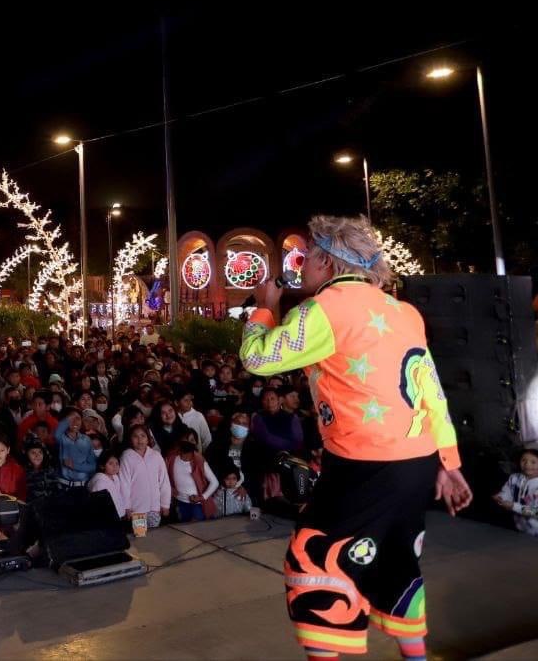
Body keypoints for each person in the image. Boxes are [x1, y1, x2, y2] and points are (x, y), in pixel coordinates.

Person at [240, 214, 471, 660]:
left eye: (307, 256)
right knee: (394, 558)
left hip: (364, 465)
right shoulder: (403, 311)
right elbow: (430, 389)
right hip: (415, 463)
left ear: (327, 262)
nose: (302, 264)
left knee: (314, 561)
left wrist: (265, 306)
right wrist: (448, 462)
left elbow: (258, 358)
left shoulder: (324, 308)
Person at [119, 424, 171, 529]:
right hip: (137, 510)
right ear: (130, 439)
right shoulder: (126, 457)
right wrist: (126, 506)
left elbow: (164, 481)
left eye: (143, 436)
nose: (140, 439)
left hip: (154, 508)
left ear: (148, 438)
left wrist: (165, 504)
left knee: (154, 538)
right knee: (140, 538)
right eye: (135, 436)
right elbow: (124, 484)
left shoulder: (156, 456)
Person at [165, 427, 219, 522]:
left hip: (197, 505)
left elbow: (215, 482)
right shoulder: (171, 459)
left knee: (196, 531)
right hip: (180, 503)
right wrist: (170, 488)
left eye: (192, 440)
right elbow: (163, 478)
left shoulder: (199, 460)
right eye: (185, 439)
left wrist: (202, 497)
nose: (189, 442)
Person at [492, 448, 538, 537]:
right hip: (519, 526)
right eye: (524, 460)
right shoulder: (514, 478)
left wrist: (513, 506)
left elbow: (535, 511)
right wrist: (501, 498)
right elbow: (507, 491)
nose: (527, 464)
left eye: (533, 462)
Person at [55, 409, 97, 488]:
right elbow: (57, 432)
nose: (75, 422)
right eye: (71, 419)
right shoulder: (61, 438)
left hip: (83, 487)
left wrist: (75, 465)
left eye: (78, 419)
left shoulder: (86, 439)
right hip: (63, 487)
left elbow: (93, 466)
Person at [88, 450, 130, 518]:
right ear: (102, 466)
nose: (115, 466)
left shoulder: (115, 477)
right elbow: (97, 505)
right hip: (107, 518)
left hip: (119, 516)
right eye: (110, 463)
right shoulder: (99, 482)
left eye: (117, 463)